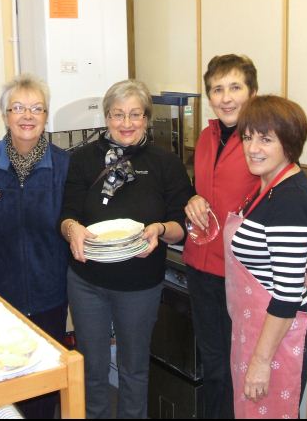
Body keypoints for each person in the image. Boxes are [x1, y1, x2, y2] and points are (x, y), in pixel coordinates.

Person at [182, 54, 307, 418]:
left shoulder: (279, 178)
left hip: (253, 294)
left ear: (252, 93)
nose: (225, 97)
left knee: (248, 387)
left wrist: (306, 254)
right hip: (211, 276)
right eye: (217, 89)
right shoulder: (211, 141)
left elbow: (293, 223)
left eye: (235, 87)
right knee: (219, 370)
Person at [60, 79, 194, 418]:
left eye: (135, 114)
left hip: (140, 284)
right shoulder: (83, 160)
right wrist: (72, 229)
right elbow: (67, 215)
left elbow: (181, 227)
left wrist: (162, 229)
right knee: (92, 369)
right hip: (87, 282)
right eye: (118, 114)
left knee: (134, 369)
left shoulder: (165, 163)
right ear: (106, 118)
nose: (127, 123)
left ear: (146, 118)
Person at [0, 74, 70, 419]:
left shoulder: (64, 166)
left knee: (44, 380)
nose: (27, 116)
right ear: (5, 115)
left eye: (36, 108)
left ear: (46, 116)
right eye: (18, 108)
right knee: (2, 380)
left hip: (50, 294)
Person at [226, 95, 307, 418]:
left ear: (289, 144)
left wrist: (260, 362)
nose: (253, 148)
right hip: (257, 328)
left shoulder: (289, 198)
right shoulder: (271, 184)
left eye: (266, 139)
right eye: (248, 137)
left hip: (278, 339)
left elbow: (288, 293)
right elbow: (288, 241)